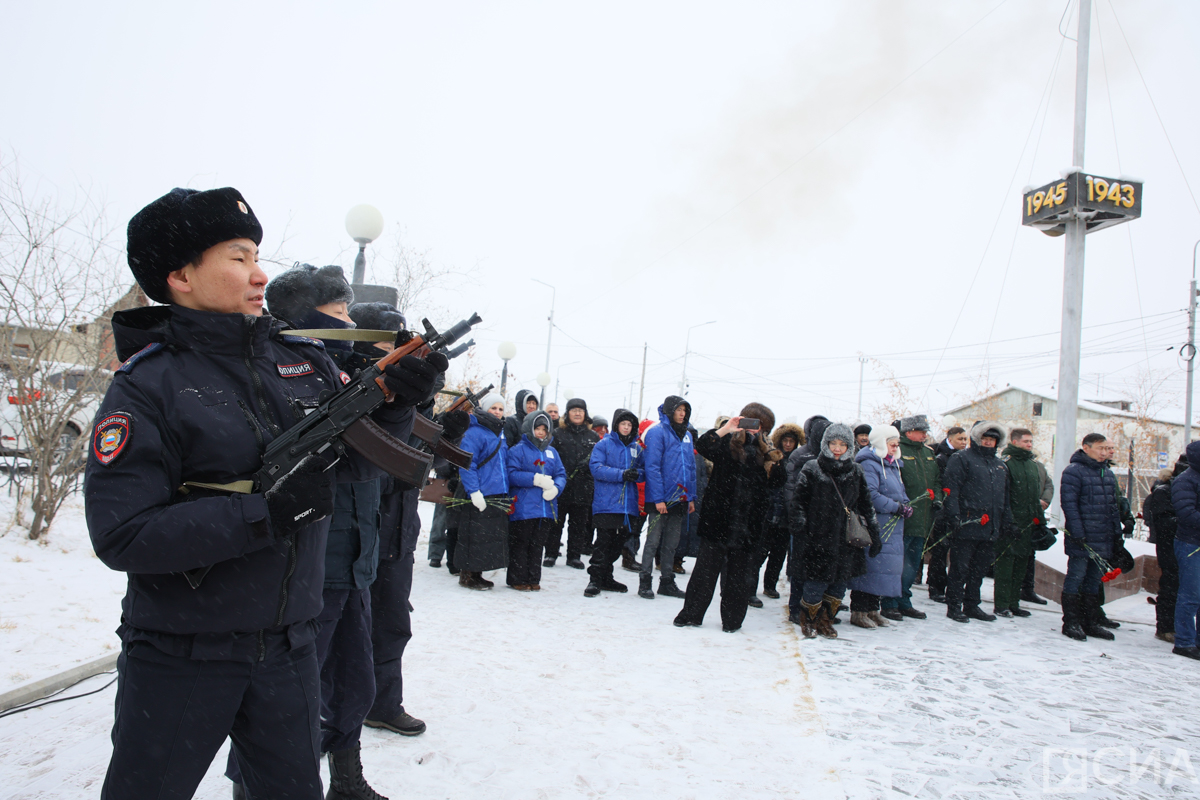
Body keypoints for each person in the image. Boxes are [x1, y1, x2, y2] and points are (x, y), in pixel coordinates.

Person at [86, 187, 437, 800]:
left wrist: (399, 403)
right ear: (180, 277)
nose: (259, 274)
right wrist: (262, 514)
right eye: (238, 257)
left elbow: (359, 464)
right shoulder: (148, 385)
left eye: (256, 255)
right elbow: (123, 533)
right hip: (182, 650)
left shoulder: (298, 361)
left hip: (290, 644)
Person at [350, 302, 462, 742]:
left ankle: (383, 704)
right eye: (393, 340)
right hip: (359, 525)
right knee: (343, 627)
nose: (404, 347)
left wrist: (443, 430)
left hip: (398, 526)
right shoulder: (351, 384)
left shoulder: (408, 389)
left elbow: (418, 462)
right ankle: (328, 713)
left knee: (392, 621)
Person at [674, 404, 785, 631]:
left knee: (738, 578)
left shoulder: (765, 451)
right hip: (718, 520)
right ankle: (691, 614)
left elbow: (778, 481)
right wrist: (727, 429)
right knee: (705, 573)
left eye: (761, 427)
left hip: (748, 526)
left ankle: (732, 621)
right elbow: (702, 445)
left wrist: (772, 456)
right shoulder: (728, 443)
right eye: (752, 423)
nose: (755, 429)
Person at [787, 423, 881, 639]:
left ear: (849, 446)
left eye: (842, 444)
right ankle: (808, 621)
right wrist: (800, 528)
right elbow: (798, 502)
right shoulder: (812, 468)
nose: (837, 448)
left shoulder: (856, 470)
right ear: (825, 444)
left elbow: (866, 505)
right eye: (833, 443)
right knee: (814, 585)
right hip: (817, 538)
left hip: (846, 540)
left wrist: (874, 534)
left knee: (839, 587)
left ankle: (826, 621)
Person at [941, 421, 1016, 624]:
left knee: (979, 569)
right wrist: (954, 516)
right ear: (976, 439)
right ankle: (954, 604)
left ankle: (972, 604)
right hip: (967, 522)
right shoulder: (962, 459)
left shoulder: (1000, 465)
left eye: (992, 440)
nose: (988, 443)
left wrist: (1007, 521)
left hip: (991, 526)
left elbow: (1005, 497)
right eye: (985, 439)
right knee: (960, 568)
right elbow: (951, 489)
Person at [1058, 432, 1122, 641]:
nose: (1104, 453)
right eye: (1100, 448)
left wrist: (1117, 533)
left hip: (1103, 536)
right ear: (1086, 448)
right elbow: (1069, 504)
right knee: (1076, 577)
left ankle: (1090, 621)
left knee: (1093, 581)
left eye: (1106, 449)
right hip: (1083, 536)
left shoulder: (1107, 473)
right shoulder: (1074, 471)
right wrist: (1078, 532)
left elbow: (1113, 506)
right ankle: (1071, 622)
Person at [847, 426, 909, 628]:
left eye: (897, 444)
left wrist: (906, 505)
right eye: (892, 444)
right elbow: (871, 494)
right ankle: (859, 610)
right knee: (870, 567)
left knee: (883, 569)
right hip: (875, 522)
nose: (895, 448)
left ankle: (873, 609)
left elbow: (900, 491)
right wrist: (895, 507)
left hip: (892, 525)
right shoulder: (869, 464)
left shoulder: (893, 465)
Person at [639, 396, 697, 599]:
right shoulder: (657, 432)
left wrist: (690, 496)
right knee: (653, 541)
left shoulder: (687, 435)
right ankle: (645, 581)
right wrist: (658, 498)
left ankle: (667, 582)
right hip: (660, 499)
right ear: (670, 411)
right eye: (679, 410)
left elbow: (690, 468)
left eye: (685, 410)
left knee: (671, 543)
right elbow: (652, 467)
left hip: (680, 498)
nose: (682, 414)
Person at [585, 408, 644, 596]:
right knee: (603, 542)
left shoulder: (637, 448)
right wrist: (621, 474)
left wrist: (636, 474)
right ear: (616, 425)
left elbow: (644, 470)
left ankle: (606, 576)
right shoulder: (604, 444)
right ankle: (595, 578)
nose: (626, 427)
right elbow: (596, 469)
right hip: (606, 503)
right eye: (623, 424)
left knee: (618, 544)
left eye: (629, 425)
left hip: (627, 505)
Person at [507, 410, 567, 590]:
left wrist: (556, 488)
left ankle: (533, 578)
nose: (541, 432)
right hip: (523, 507)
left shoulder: (552, 452)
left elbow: (561, 474)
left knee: (537, 544)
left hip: (545, 508)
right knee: (521, 543)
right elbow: (511, 474)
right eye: (537, 428)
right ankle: (517, 578)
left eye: (544, 429)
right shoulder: (517, 450)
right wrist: (534, 479)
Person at [457, 393, 510, 590]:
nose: (497, 412)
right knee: (474, 535)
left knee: (485, 537)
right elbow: (467, 464)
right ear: (485, 408)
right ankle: (467, 575)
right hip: (481, 492)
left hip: (496, 492)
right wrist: (474, 491)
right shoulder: (474, 432)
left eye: (500, 409)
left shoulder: (499, 433)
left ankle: (477, 573)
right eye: (493, 408)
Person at [749, 421, 803, 602]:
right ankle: (750, 588)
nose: (788, 444)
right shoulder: (771, 456)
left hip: (787, 514)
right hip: (770, 510)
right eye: (785, 441)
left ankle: (770, 585)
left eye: (791, 441)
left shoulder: (797, 460)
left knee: (778, 554)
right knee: (760, 553)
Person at [994, 428, 1045, 618]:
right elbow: (1002, 496)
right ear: (1014, 442)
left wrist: (1040, 521)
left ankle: (1014, 603)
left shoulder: (1032, 465)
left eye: (1031, 441)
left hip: (1027, 524)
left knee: (1021, 566)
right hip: (1009, 523)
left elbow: (1035, 496)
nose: (1029, 445)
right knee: (1006, 566)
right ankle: (1001, 604)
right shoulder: (1005, 463)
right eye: (1026, 442)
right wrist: (1008, 521)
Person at [890, 415, 938, 620]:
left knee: (912, 563)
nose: (925, 435)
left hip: (923, 519)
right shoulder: (898, 450)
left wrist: (938, 498)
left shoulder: (928, 453)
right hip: (903, 518)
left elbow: (936, 480)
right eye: (921, 431)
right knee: (896, 564)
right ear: (909, 432)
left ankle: (904, 601)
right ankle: (890, 602)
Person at [546, 398, 599, 568]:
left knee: (578, 525)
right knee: (556, 523)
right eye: (574, 410)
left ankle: (574, 556)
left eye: (580, 411)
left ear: (585, 414)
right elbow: (550, 457)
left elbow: (598, 461)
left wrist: (588, 466)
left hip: (583, 487)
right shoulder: (557, 433)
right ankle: (551, 554)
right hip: (561, 487)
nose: (577, 413)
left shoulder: (593, 436)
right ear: (567, 413)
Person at [1144, 459, 1185, 643]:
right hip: (1170, 547)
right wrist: (1187, 521)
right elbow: (1162, 523)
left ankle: (1177, 627)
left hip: (1184, 545)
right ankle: (1166, 627)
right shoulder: (1165, 491)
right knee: (1171, 586)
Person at [927, 425, 968, 603]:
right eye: (960, 439)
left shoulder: (963, 457)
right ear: (950, 439)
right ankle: (936, 586)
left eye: (965, 439)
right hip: (943, 510)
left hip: (958, 508)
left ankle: (948, 586)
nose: (964, 442)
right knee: (940, 550)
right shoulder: (942, 457)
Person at [1169, 441, 1200, 660]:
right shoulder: (1185, 480)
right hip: (1191, 544)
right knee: (1191, 595)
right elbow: (1186, 513)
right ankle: (1184, 642)